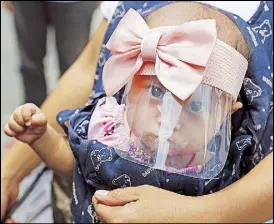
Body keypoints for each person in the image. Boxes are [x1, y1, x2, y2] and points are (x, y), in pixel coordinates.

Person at [1, 1, 273, 223]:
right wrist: (41, 138)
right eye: (156, 93)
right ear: (128, 85)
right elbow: (73, 165)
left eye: (197, 106)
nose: (170, 119)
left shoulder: (217, 162)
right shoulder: (112, 129)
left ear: (228, 115)